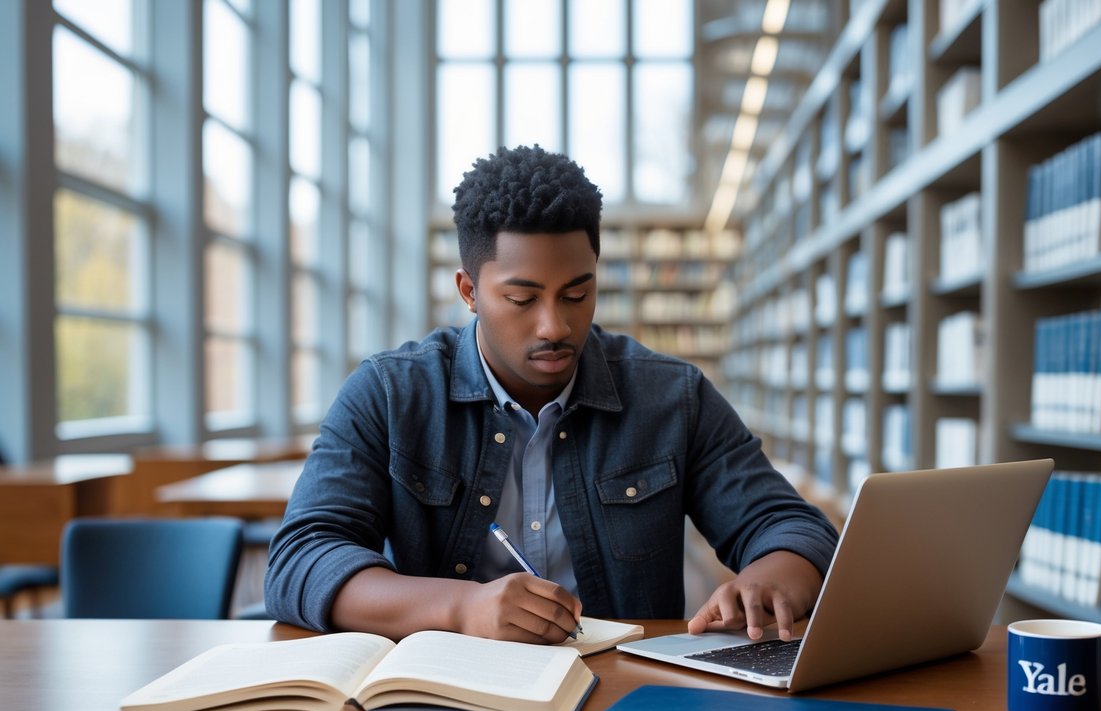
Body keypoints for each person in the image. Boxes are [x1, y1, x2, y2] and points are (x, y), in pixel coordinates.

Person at [264, 145, 839, 645]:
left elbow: (792, 527)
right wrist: (461, 609)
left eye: (576, 294)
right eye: (522, 299)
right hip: (442, 701)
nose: (554, 327)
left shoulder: (672, 396)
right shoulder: (390, 393)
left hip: (623, 694)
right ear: (469, 290)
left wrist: (769, 580)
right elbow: (301, 559)